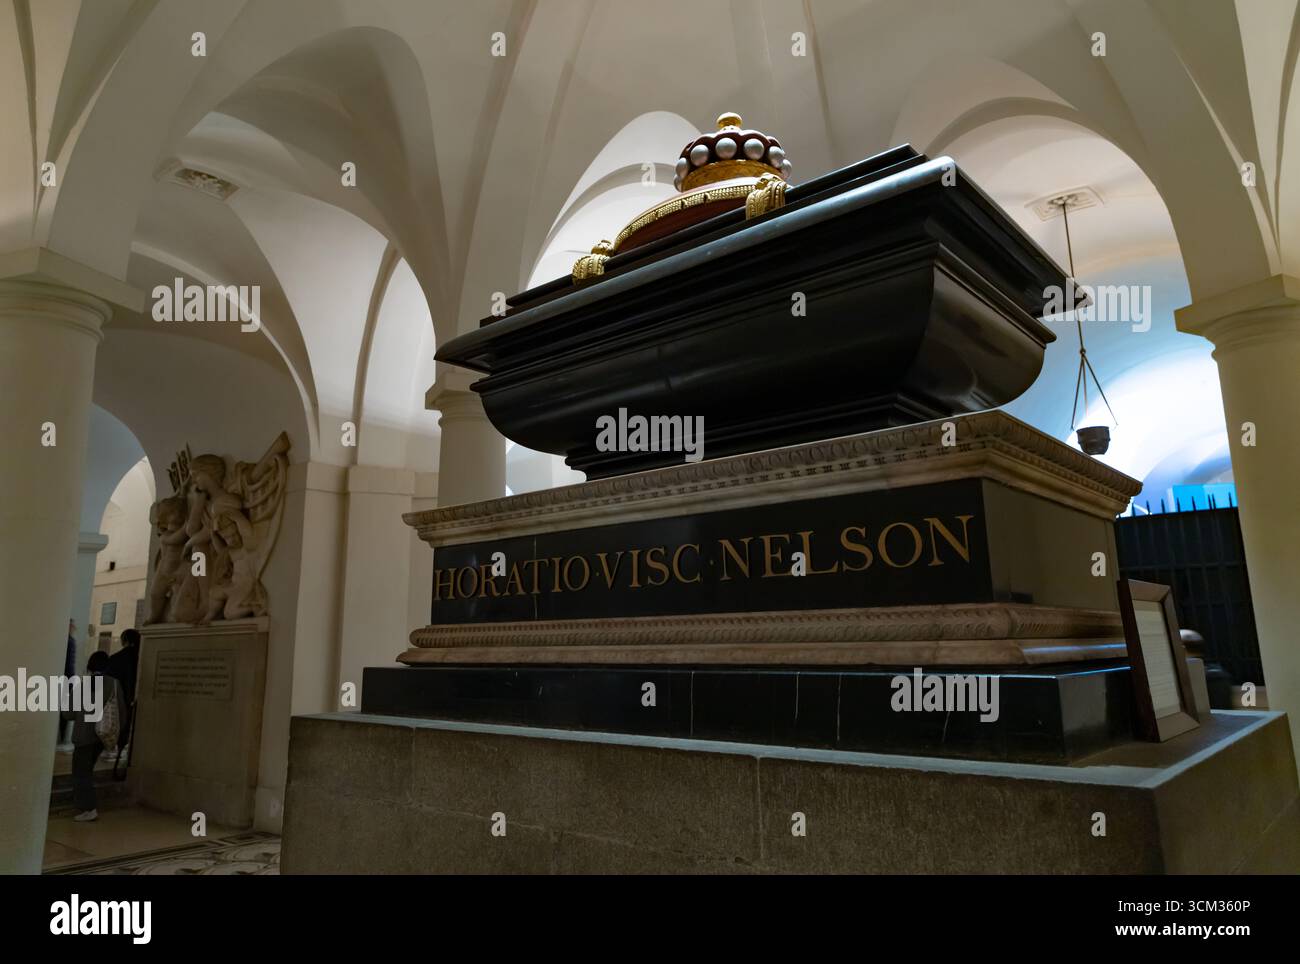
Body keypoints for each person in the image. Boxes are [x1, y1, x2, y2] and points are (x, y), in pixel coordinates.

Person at [63, 651, 125, 822]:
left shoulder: (83, 685)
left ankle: (88, 808)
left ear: (90, 665)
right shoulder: (114, 684)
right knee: (87, 771)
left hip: (83, 736)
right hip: (102, 736)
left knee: (80, 773)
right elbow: (121, 712)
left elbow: (68, 714)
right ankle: (85, 804)